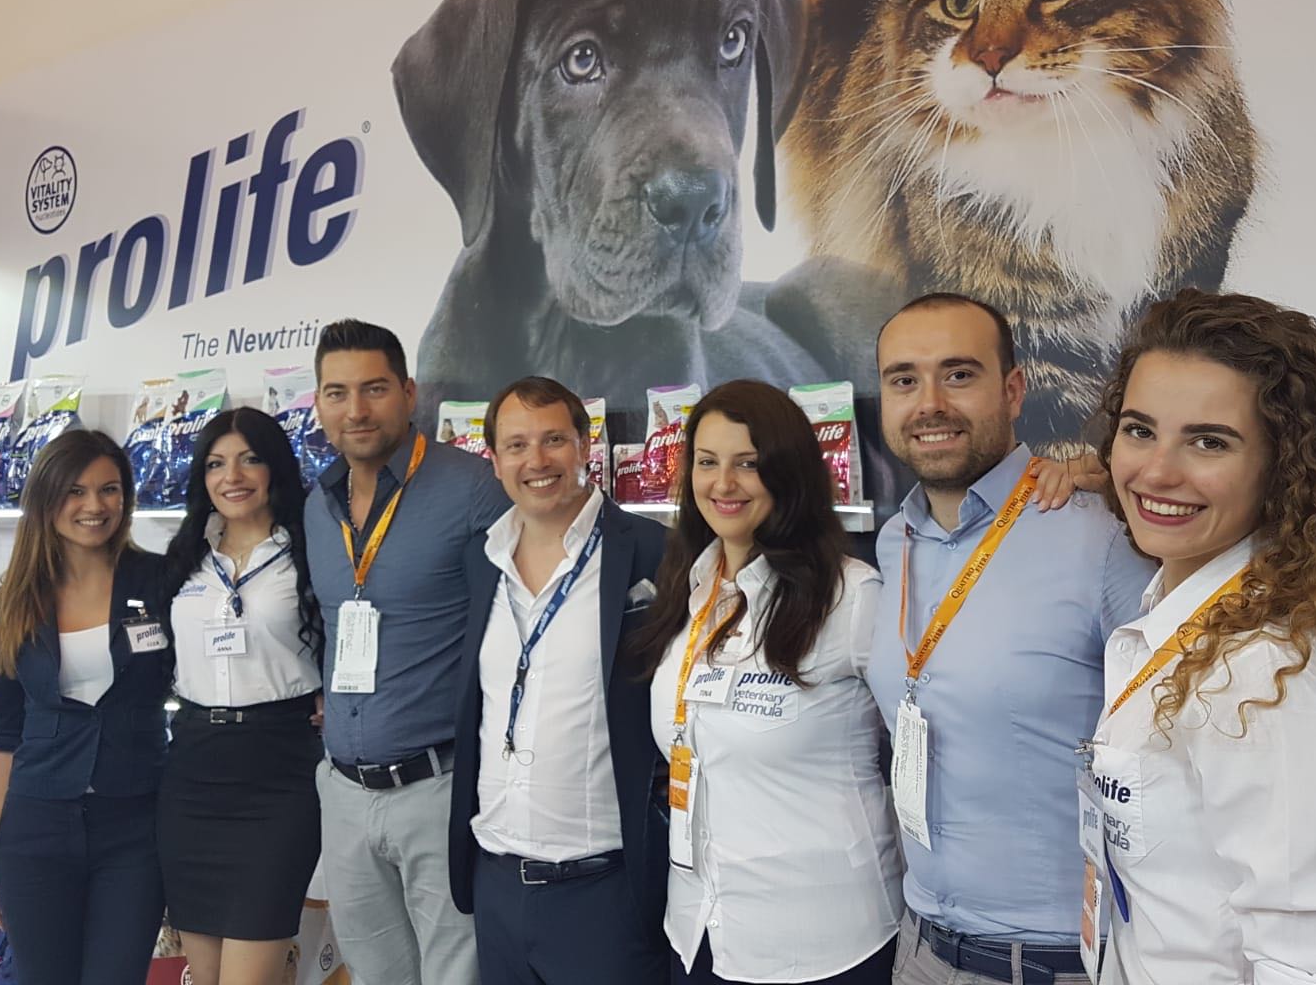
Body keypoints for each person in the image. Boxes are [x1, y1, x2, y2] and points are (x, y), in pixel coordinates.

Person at [1089, 289, 1316, 984]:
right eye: (1140, 430)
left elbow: (1310, 965)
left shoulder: (1259, 672)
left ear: (1283, 464)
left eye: (1209, 441)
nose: (1156, 471)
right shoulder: (1179, 615)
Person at [867, 292, 1153, 985]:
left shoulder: (1101, 535)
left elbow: (1194, 747)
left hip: (1057, 961)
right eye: (904, 380)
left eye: (959, 374)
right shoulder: (895, 540)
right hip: (920, 947)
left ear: (1014, 390)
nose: (930, 403)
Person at [637, 379, 901, 984]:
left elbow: (921, 742)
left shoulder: (850, 598)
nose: (723, 484)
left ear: (789, 472)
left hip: (821, 941)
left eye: (748, 464)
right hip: (700, 930)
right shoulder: (689, 588)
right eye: (707, 462)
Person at [304, 319, 509, 985]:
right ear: (318, 402)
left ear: (409, 392)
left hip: (437, 787)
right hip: (343, 791)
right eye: (337, 393)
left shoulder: (473, 487)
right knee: (374, 974)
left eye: (374, 389)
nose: (356, 410)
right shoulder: (317, 504)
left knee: (456, 974)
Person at [449, 376, 673, 985]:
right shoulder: (480, 559)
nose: (537, 461)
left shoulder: (655, 553)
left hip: (606, 890)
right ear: (494, 459)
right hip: (496, 883)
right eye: (516, 445)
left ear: (584, 445)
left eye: (553, 440)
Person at [0, 429, 170, 985]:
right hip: (35, 826)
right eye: (76, 491)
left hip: (134, 826)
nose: (95, 505)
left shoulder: (160, 582)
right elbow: (6, 731)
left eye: (109, 489)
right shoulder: (10, 603)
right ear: (46, 499)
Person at [159, 407, 325, 985]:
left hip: (278, 775)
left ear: (274, 466)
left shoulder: (311, 550)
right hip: (192, 771)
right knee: (203, 976)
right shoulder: (184, 557)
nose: (232, 476)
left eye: (249, 459)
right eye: (216, 463)